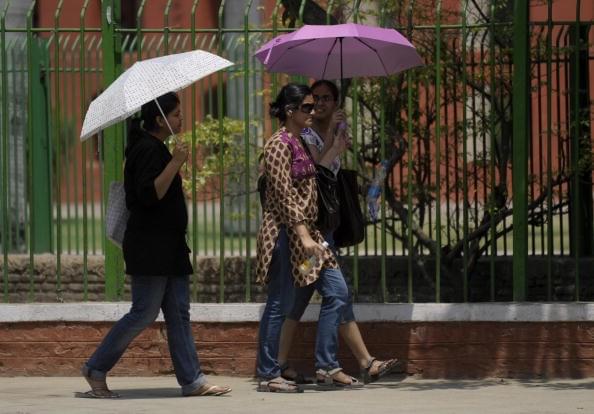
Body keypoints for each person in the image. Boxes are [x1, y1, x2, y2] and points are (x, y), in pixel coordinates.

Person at [81, 92, 231, 398]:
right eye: (176, 115)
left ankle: (192, 380)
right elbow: (150, 194)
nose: (181, 120)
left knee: (178, 313)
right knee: (143, 313)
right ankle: (95, 368)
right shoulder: (146, 149)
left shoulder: (156, 148)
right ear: (160, 120)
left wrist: (174, 161)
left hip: (170, 248)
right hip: (151, 249)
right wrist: (176, 162)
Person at [277, 80, 400, 385]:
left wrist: (336, 137)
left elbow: (330, 174)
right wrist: (333, 145)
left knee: (306, 296)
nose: (318, 104)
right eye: (313, 100)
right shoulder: (303, 135)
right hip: (312, 231)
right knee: (337, 293)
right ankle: (331, 364)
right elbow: (313, 175)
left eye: (326, 98)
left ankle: (283, 362)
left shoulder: (333, 130)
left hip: (325, 229)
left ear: (335, 101)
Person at [256, 83, 358, 392]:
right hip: (287, 240)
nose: (313, 112)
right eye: (307, 107)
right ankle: (268, 373)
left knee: (337, 291)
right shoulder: (277, 145)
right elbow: (284, 196)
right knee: (279, 303)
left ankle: (327, 364)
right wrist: (302, 233)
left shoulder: (300, 143)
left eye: (314, 106)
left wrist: (335, 142)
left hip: (311, 240)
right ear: (290, 111)